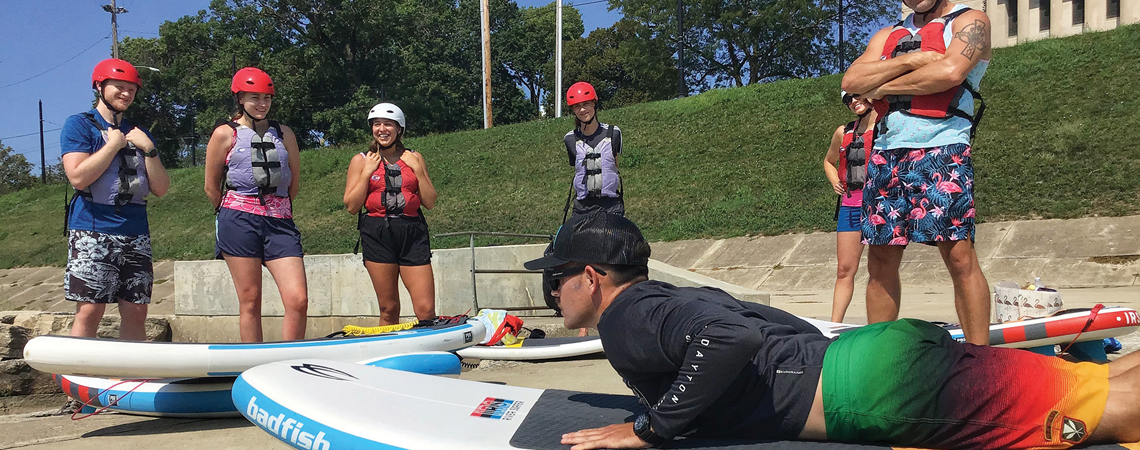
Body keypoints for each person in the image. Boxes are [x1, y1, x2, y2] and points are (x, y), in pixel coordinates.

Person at [524, 213, 1140, 450]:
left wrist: (650, 430)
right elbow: (763, 323)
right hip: (870, 361)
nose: (552, 294)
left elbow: (730, 341)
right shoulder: (667, 298)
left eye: (556, 280)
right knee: (1097, 378)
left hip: (873, 390)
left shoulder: (626, 317)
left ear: (590, 275)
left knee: (1115, 413)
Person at [841, 0, 993, 344]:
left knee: (958, 254)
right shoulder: (887, 36)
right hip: (885, 153)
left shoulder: (971, 21)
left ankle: (980, 359)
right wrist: (911, 60)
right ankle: (878, 354)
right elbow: (852, 80)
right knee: (880, 258)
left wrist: (879, 87)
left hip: (942, 149)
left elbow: (949, 73)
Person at [61, 58, 170, 340]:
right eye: (119, 87)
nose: (126, 93)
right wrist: (112, 146)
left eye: (131, 89)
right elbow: (77, 177)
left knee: (136, 311)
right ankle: (78, 375)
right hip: (92, 229)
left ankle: (132, 377)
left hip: (136, 232)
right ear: (100, 86)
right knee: (90, 310)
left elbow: (160, 188)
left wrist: (151, 151)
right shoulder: (79, 125)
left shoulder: (141, 134)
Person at [204, 67, 307, 343]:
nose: (262, 104)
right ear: (240, 99)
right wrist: (234, 209)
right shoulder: (224, 134)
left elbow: (293, 181)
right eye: (254, 97)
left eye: (266, 98)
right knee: (250, 300)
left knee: (298, 299)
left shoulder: (285, 134)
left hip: (279, 220)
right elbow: (211, 187)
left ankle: (290, 363)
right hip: (238, 218)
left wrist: (277, 206)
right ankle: (253, 366)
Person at [343, 103, 438, 326]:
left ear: (399, 129)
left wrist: (417, 169)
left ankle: (427, 355)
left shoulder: (414, 157)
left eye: (388, 124)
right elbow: (351, 206)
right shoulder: (360, 160)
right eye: (377, 124)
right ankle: (387, 356)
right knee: (389, 307)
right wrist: (366, 173)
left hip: (412, 232)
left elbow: (430, 202)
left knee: (426, 308)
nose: (382, 129)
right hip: (377, 233)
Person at [821, 91, 877, 323]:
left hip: (879, 207)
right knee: (844, 270)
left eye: (857, 95)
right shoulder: (843, 132)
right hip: (851, 206)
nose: (853, 102)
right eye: (847, 100)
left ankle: (881, 326)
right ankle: (834, 326)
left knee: (881, 271)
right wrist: (834, 180)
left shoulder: (886, 125)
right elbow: (828, 161)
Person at [563, 81, 624, 218]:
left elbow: (614, 165)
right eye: (577, 106)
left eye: (586, 104)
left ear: (594, 104)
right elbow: (576, 168)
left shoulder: (614, 133)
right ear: (573, 110)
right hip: (583, 207)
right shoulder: (570, 139)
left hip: (611, 205)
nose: (582, 110)